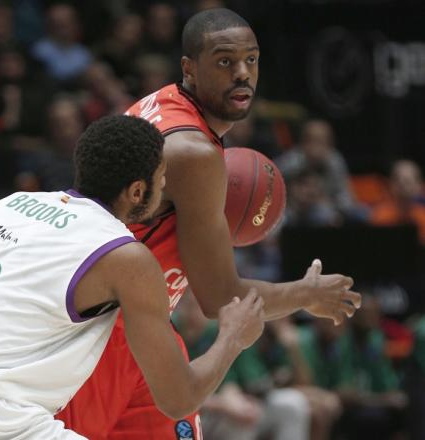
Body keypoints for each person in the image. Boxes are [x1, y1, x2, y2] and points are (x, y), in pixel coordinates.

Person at [57, 9, 362, 438]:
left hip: (141, 334)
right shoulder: (195, 154)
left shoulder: (159, 103)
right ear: (189, 68)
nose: (242, 74)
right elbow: (221, 299)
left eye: (251, 60)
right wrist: (305, 294)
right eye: (224, 61)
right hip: (105, 337)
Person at [0, 115, 265, 439]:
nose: (166, 189)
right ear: (136, 191)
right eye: (162, 180)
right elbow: (179, 398)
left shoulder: (4, 207)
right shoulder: (125, 254)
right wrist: (232, 337)